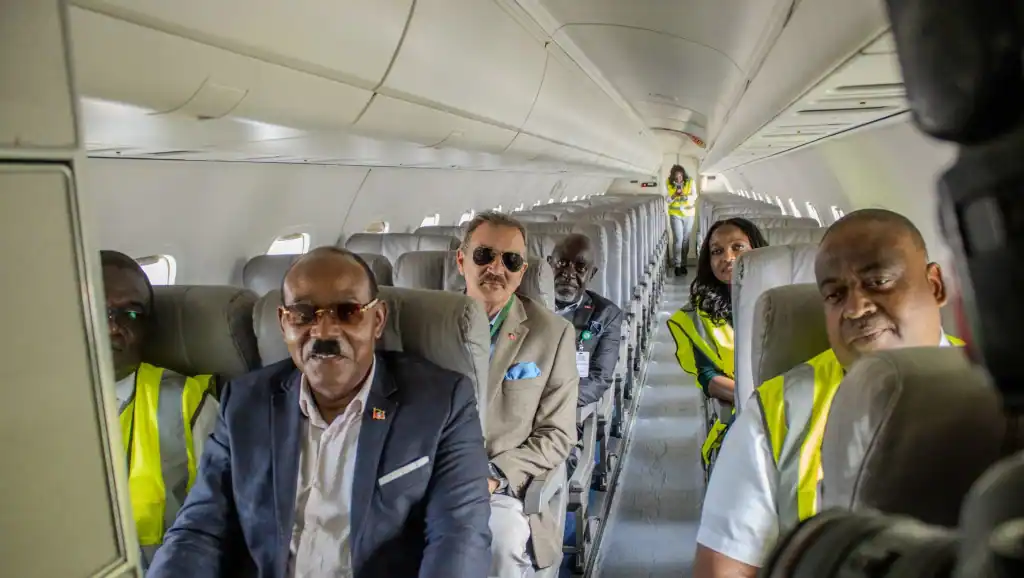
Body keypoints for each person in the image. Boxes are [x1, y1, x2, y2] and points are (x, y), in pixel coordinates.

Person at [148, 247, 492, 578]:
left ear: (377, 319)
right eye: (303, 314)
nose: (324, 331)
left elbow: (458, 536)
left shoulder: (441, 402)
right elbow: (200, 530)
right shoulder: (243, 402)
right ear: (284, 325)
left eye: (348, 311)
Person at [693, 209, 965, 578]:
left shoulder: (1001, 396)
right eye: (835, 294)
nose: (855, 307)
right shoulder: (778, 413)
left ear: (935, 285)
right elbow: (724, 569)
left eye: (879, 280)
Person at [457, 212, 578, 577]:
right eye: (484, 255)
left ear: (522, 271)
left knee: (500, 538)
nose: (496, 268)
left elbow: (558, 434)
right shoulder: (424, 325)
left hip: (501, 488)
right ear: (461, 260)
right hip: (428, 478)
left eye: (510, 260)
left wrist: (494, 474)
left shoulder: (552, 334)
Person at [101, 250, 219, 571]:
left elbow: (224, 520)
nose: (113, 327)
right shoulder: (36, 403)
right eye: (102, 310)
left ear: (148, 328)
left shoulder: (187, 402)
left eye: (131, 314)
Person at [665, 218, 767, 470]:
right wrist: (757, 402)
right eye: (717, 251)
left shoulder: (790, 300)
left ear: (757, 250)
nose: (728, 257)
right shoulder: (702, 314)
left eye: (738, 247)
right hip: (747, 410)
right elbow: (708, 378)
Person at [547, 233, 623, 473]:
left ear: (592, 274)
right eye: (562, 263)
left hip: (564, 411)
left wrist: (553, 403)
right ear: (549, 264)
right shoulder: (524, 305)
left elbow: (600, 378)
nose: (569, 273)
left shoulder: (605, 314)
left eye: (580, 266)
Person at [667, 164, 697, 277]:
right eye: (676, 176)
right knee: (678, 240)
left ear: (683, 175)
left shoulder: (690, 182)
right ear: (673, 176)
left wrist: (685, 196)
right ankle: (677, 265)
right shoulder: (669, 183)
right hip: (675, 214)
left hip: (689, 214)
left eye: (680, 176)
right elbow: (667, 200)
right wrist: (674, 195)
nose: (678, 178)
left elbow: (695, 196)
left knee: (685, 240)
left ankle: (684, 264)